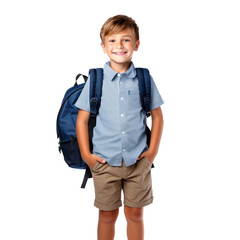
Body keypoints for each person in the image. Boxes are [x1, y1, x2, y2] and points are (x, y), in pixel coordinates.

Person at [75, 15, 164, 240]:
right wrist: (87, 155)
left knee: (135, 214)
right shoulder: (96, 79)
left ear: (136, 44)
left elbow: (157, 117)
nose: (119, 46)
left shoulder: (144, 78)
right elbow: (82, 121)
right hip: (104, 162)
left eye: (125, 40)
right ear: (103, 46)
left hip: (138, 161)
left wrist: (151, 154)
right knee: (107, 214)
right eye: (112, 40)